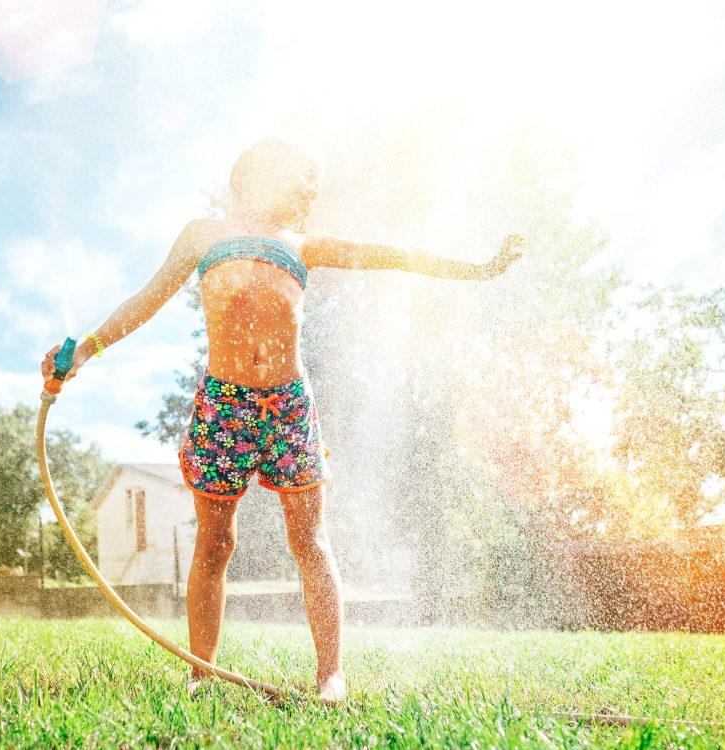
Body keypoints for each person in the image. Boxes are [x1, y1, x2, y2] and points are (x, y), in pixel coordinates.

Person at [40, 136, 525, 705]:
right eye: (305, 178)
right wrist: (87, 349)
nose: (313, 191)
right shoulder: (205, 236)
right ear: (265, 175)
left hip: (288, 405)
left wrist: (475, 269)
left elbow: (389, 253)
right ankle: (201, 671)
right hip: (224, 408)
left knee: (310, 540)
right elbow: (148, 299)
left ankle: (330, 676)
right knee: (214, 545)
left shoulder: (302, 243)